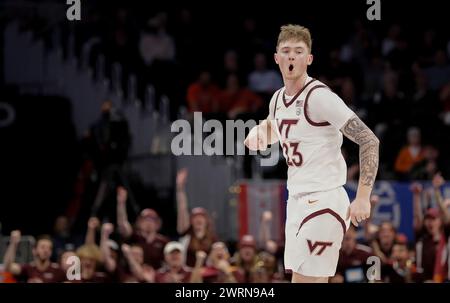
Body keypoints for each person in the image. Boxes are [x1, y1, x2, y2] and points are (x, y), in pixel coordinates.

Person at [244, 24, 380, 283]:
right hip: (296, 200)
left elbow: (369, 140)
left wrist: (363, 197)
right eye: (286, 51)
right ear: (276, 58)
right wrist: (260, 133)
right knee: (309, 279)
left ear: (309, 58)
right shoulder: (276, 99)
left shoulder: (319, 97)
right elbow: (276, 126)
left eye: (298, 51)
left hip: (325, 200)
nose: (291, 56)